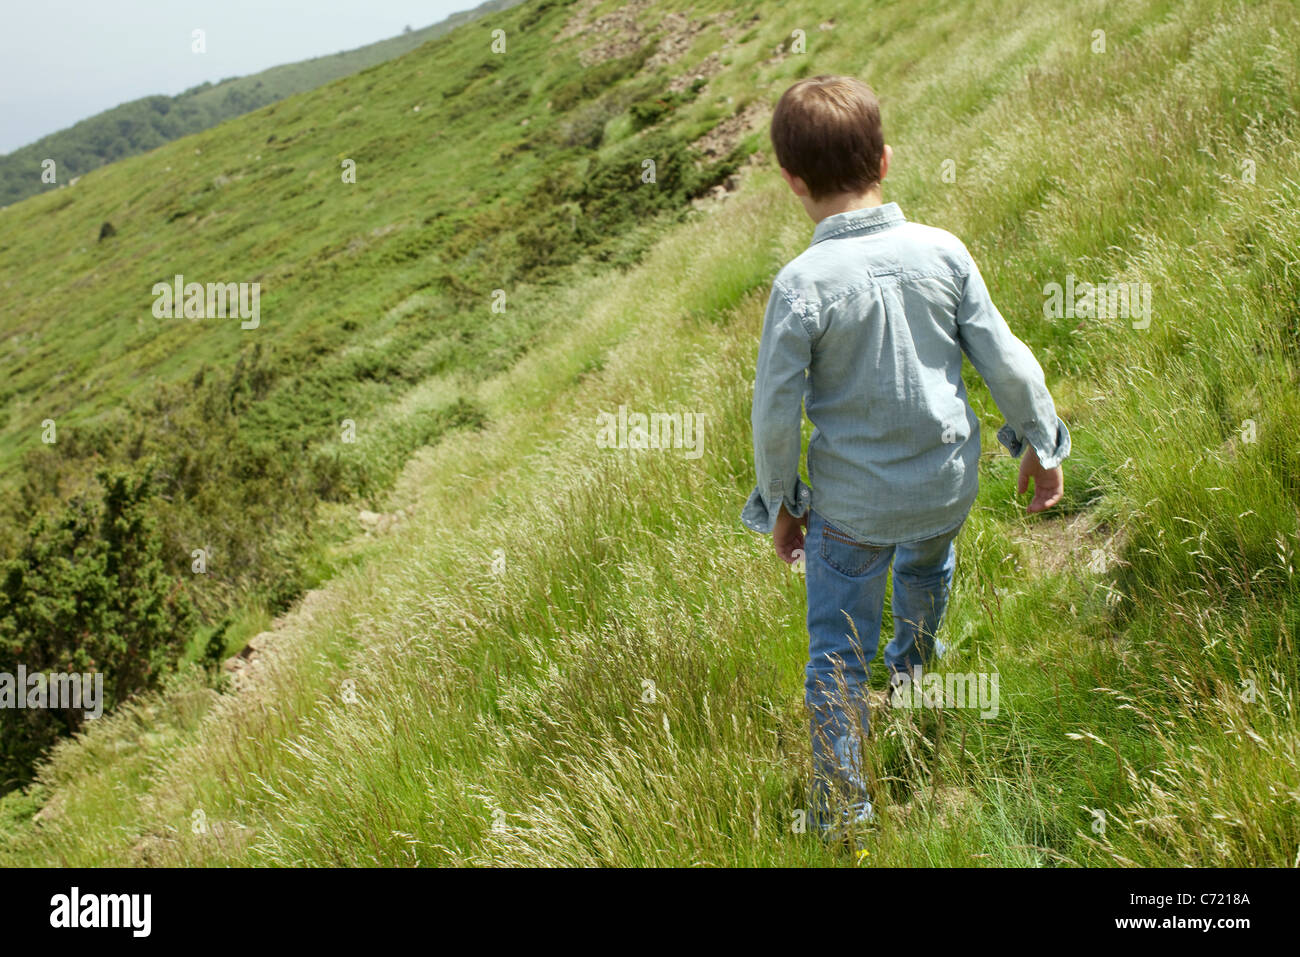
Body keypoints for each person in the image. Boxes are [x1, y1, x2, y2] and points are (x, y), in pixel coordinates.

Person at [742, 75, 1070, 837]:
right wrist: (1040, 443)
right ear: (885, 161)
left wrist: (783, 502)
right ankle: (918, 674)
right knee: (927, 565)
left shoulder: (799, 287)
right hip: (946, 484)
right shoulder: (942, 251)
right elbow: (1008, 362)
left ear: (793, 182)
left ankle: (845, 812)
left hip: (852, 510)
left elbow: (773, 416)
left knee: (835, 653)